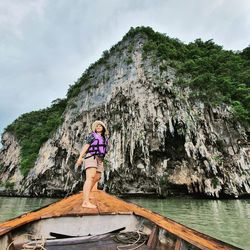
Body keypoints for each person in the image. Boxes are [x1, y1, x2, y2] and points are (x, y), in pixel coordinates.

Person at [76, 120, 109, 208]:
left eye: (100, 126)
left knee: (97, 177)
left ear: (103, 128)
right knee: (90, 177)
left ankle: (87, 193)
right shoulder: (92, 136)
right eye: (97, 126)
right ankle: (85, 202)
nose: (98, 127)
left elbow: (104, 149)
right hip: (91, 156)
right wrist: (80, 158)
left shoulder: (105, 138)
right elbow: (86, 146)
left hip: (100, 159)